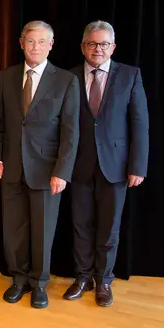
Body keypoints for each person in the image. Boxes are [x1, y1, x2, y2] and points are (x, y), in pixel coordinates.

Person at [0, 20, 80, 309]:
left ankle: (39, 283)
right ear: (21, 43)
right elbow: (0, 124)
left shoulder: (66, 80)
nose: (35, 47)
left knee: (43, 230)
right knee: (13, 228)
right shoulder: (6, 76)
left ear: (51, 45)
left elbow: (70, 131)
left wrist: (62, 171)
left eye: (42, 42)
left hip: (47, 170)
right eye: (30, 41)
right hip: (12, 167)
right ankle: (18, 279)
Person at [63, 20, 149, 307]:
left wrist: (138, 165)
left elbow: (139, 123)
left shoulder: (130, 75)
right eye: (91, 43)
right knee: (81, 225)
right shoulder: (69, 77)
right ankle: (83, 277)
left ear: (112, 47)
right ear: (82, 47)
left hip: (117, 166)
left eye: (103, 44)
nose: (97, 49)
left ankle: (105, 280)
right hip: (79, 165)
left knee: (109, 227)